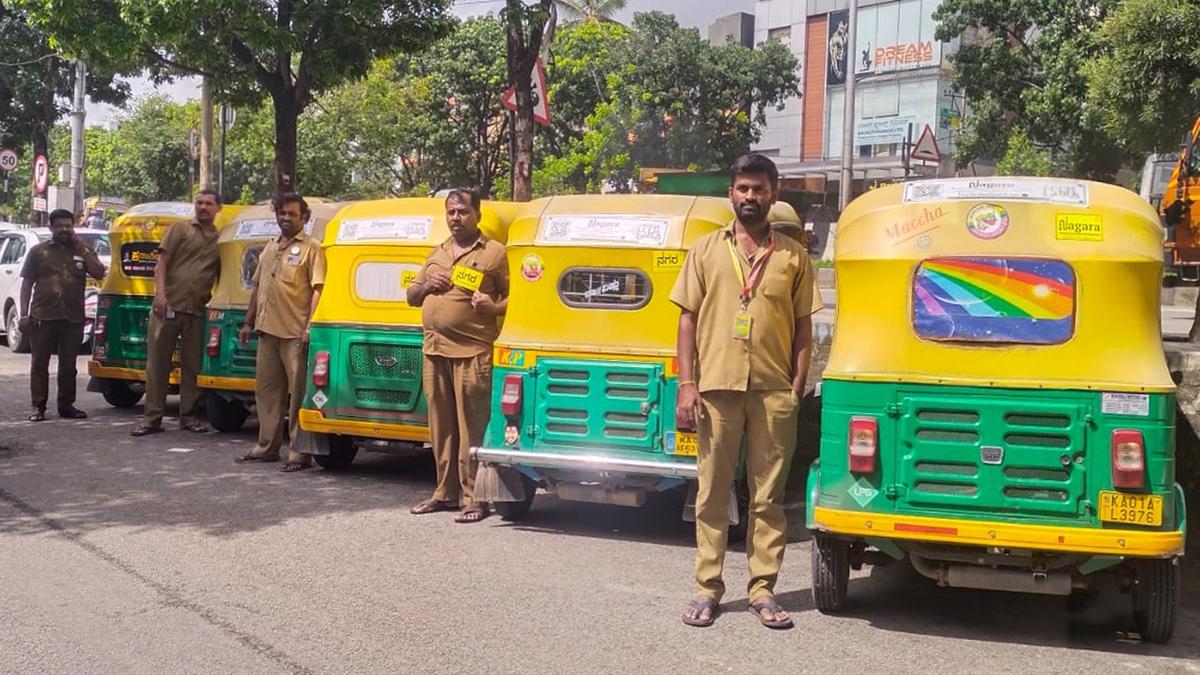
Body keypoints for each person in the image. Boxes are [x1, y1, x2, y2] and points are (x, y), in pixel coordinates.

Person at [671, 154, 816, 629]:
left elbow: (802, 328)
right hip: (716, 388)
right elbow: (687, 319)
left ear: (774, 194)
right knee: (712, 493)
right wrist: (686, 385)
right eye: (742, 188)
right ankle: (708, 587)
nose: (750, 197)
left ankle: (763, 588)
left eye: (758, 189)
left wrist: (796, 386)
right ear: (730, 194)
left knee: (767, 497)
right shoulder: (706, 250)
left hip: (774, 392)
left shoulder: (793, 257)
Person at [407, 189, 508, 523]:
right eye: (450, 212)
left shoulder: (495, 253)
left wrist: (493, 307)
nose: (455, 218)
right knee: (441, 428)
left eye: (462, 212)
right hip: (434, 351)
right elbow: (411, 296)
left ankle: (474, 497)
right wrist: (425, 287)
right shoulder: (437, 253)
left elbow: (518, 298)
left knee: (471, 429)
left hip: (472, 353)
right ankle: (444, 493)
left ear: (477, 214)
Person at [236, 193, 325, 472]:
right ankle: (266, 447)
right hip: (266, 331)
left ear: (304, 218)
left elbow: (317, 289)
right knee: (267, 393)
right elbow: (258, 287)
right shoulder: (270, 248)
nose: (285, 218)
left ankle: (298, 454)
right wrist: (248, 323)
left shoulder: (313, 248)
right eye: (281, 213)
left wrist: (310, 326)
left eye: (292, 214)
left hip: (294, 334)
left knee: (297, 396)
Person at [131, 189, 223, 436]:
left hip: (197, 310)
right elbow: (161, 264)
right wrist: (160, 296)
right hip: (168, 306)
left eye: (208, 204)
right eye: (200, 202)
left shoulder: (220, 239)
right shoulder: (180, 229)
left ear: (218, 209)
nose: (203, 207)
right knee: (158, 364)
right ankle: (152, 419)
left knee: (192, 366)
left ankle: (189, 417)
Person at [20, 209, 106, 422]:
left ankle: (66, 405)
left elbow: (99, 272)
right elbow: (27, 283)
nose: (64, 229)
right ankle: (37, 406)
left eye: (68, 225)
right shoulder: (38, 251)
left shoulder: (82, 249)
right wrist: (24, 314)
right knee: (40, 364)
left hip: (73, 317)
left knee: (69, 366)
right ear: (51, 228)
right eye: (60, 226)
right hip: (43, 316)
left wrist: (83, 250)